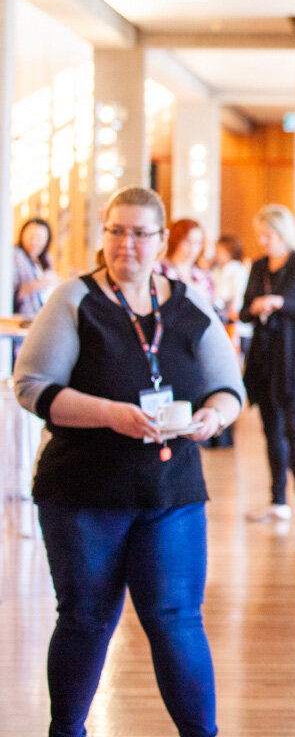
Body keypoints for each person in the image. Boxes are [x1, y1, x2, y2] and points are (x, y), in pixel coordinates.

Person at [13, 186, 243, 737]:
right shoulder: (74, 300)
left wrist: (213, 418)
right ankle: (66, 730)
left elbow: (228, 388)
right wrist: (109, 414)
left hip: (172, 494)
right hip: (83, 496)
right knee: (87, 620)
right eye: (116, 231)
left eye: (140, 233)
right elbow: (32, 387)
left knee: (177, 621)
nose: (127, 245)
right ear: (104, 236)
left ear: (162, 241)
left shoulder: (188, 303)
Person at [241, 204, 295, 526]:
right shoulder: (258, 267)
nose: (263, 241)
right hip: (264, 359)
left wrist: (282, 303)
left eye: (268, 235)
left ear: (282, 234)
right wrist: (257, 306)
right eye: (261, 236)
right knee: (271, 431)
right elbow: (243, 311)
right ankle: (277, 500)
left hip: (294, 361)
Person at [12, 217, 58, 358]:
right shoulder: (16, 257)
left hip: (41, 322)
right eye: (31, 236)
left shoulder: (45, 260)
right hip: (21, 322)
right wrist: (38, 284)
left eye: (40, 238)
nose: (34, 241)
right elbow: (11, 294)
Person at [160, 219, 217, 310]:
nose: (193, 249)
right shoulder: (161, 270)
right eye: (187, 242)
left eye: (198, 243)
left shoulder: (204, 276)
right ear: (175, 240)